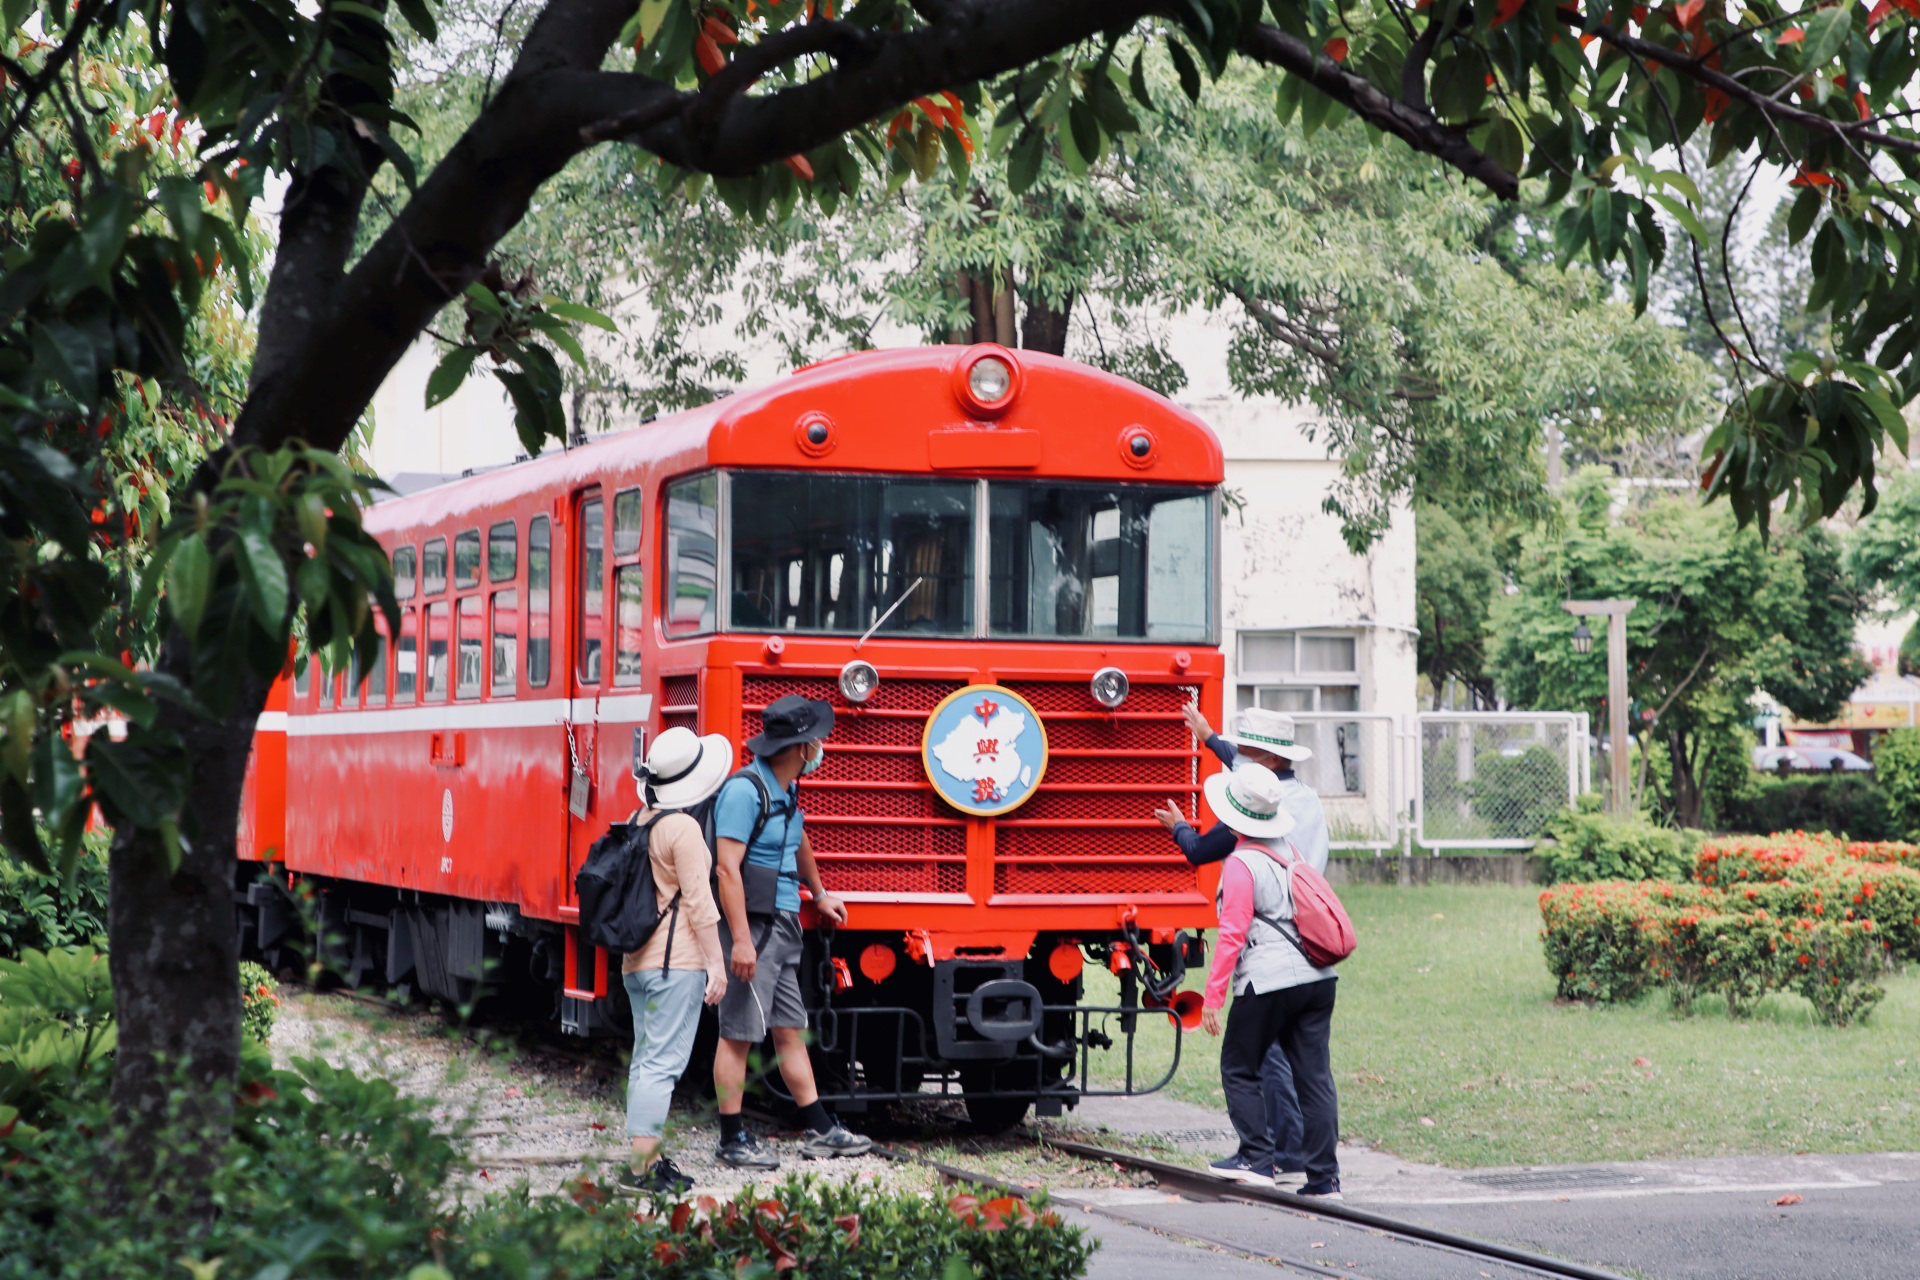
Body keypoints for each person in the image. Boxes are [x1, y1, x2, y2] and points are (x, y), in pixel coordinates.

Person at [1152, 704, 1331, 1184]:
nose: (1242, 762)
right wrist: (1211, 737)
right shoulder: (1304, 803)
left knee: (1253, 1057)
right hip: (1312, 950)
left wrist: (1179, 829)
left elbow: (1207, 869)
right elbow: (1244, 769)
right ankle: (1312, 1167)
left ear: (1269, 763)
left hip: (1267, 951)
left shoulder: (1249, 843)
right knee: (1309, 1070)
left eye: (1249, 753)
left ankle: (1262, 1153)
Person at [710, 693, 872, 1169]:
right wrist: (739, 939)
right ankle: (731, 1138)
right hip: (755, 927)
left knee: (790, 1031)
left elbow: (797, 839)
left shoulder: (785, 790)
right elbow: (726, 869)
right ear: (801, 748)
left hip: (783, 923)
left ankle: (820, 1128)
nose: (821, 747)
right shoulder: (745, 791)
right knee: (738, 1034)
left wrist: (819, 894)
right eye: (816, 741)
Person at [1197, 762, 1343, 1200]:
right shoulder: (1292, 852)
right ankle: (1324, 1180)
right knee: (1314, 1077)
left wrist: (1213, 996)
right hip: (1319, 977)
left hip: (1269, 980)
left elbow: (1232, 935)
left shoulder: (1242, 863)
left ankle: (1256, 1159)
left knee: (1240, 1066)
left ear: (1235, 814)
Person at [620, 727, 733, 1196]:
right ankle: (643, 1171)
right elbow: (700, 904)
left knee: (645, 1061)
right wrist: (717, 964)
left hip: (637, 964)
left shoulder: (639, 817)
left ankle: (645, 1159)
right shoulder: (682, 828)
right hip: (675, 962)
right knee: (662, 1065)